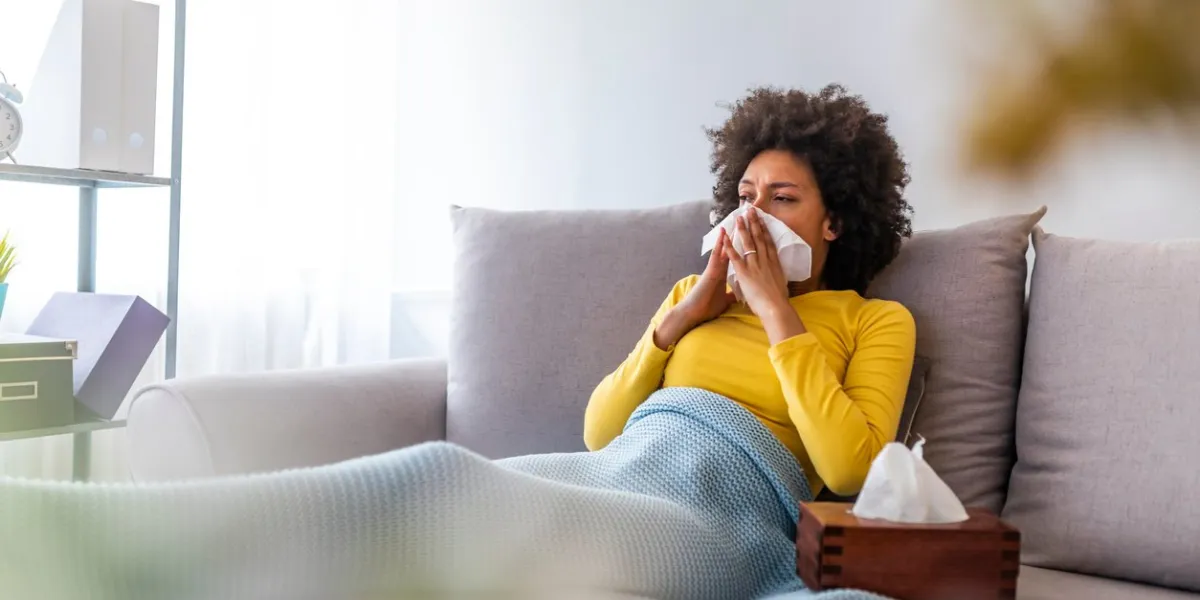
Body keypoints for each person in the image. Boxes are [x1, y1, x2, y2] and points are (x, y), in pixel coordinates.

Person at [584, 84, 917, 498]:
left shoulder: (875, 321)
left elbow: (849, 471)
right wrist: (681, 318)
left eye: (781, 197)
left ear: (835, 222)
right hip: (628, 479)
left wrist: (777, 311)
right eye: (745, 196)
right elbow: (599, 436)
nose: (753, 214)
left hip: (730, 508)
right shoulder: (693, 296)